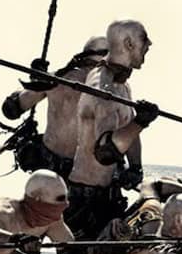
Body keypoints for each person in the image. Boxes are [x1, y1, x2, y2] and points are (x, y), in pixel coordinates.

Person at [67, 21, 159, 236]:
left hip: (110, 194)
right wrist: (141, 122)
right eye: (144, 39)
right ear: (128, 43)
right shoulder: (101, 86)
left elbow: (129, 128)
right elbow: (105, 152)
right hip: (85, 199)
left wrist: (135, 167)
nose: (149, 44)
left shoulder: (123, 85)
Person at [0, 36, 109, 178]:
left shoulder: (55, 79)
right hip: (75, 173)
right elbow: (10, 109)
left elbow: (11, 109)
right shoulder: (113, 91)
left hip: (58, 171)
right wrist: (36, 80)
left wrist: (36, 81)